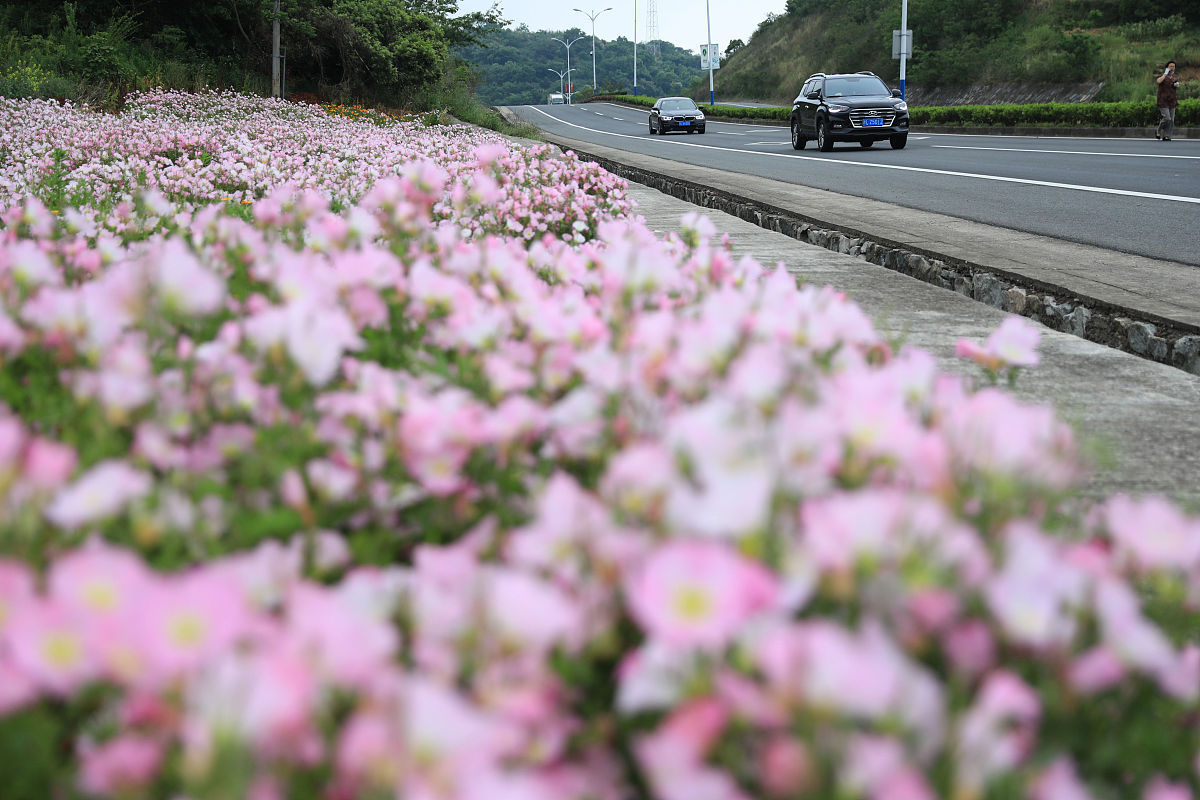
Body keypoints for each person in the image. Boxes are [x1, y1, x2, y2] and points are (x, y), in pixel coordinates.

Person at [1155, 60, 1180, 141]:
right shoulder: (1163, 76)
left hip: (1172, 100)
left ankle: (1167, 135)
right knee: (1167, 118)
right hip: (1163, 100)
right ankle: (1158, 130)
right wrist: (1165, 74)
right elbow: (1158, 81)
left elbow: (1175, 87)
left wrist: (1176, 85)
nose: (1172, 68)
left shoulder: (1174, 77)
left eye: (1173, 66)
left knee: (1171, 119)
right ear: (1167, 67)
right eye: (1170, 66)